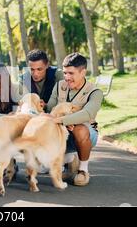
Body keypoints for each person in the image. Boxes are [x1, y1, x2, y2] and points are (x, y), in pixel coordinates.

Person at [45, 52, 104, 186]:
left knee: (80, 130)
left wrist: (62, 120)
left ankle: (83, 170)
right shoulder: (59, 86)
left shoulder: (95, 92)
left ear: (83, 72)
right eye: (65, 73)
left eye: (71, 73)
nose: (67, 77)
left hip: (86, 134)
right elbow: (50, 109)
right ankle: (68, 160)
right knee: (43, 168)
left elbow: (87, 114)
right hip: (60, 132)